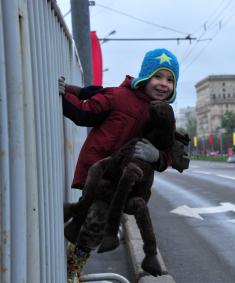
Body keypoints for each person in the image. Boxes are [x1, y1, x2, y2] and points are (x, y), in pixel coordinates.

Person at [59, 48, 179, 283]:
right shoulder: (118, 97)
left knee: (95, 225)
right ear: (145, 76)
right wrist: (62, 95)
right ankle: (70, 269)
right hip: (99, 172)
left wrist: (156, 156)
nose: (164, 84)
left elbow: (169, 153)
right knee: (93, 220)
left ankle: (72, 266)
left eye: (170, 79)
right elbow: (84, 113)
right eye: (158, 76)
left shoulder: (163, 115)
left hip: (123, 183)